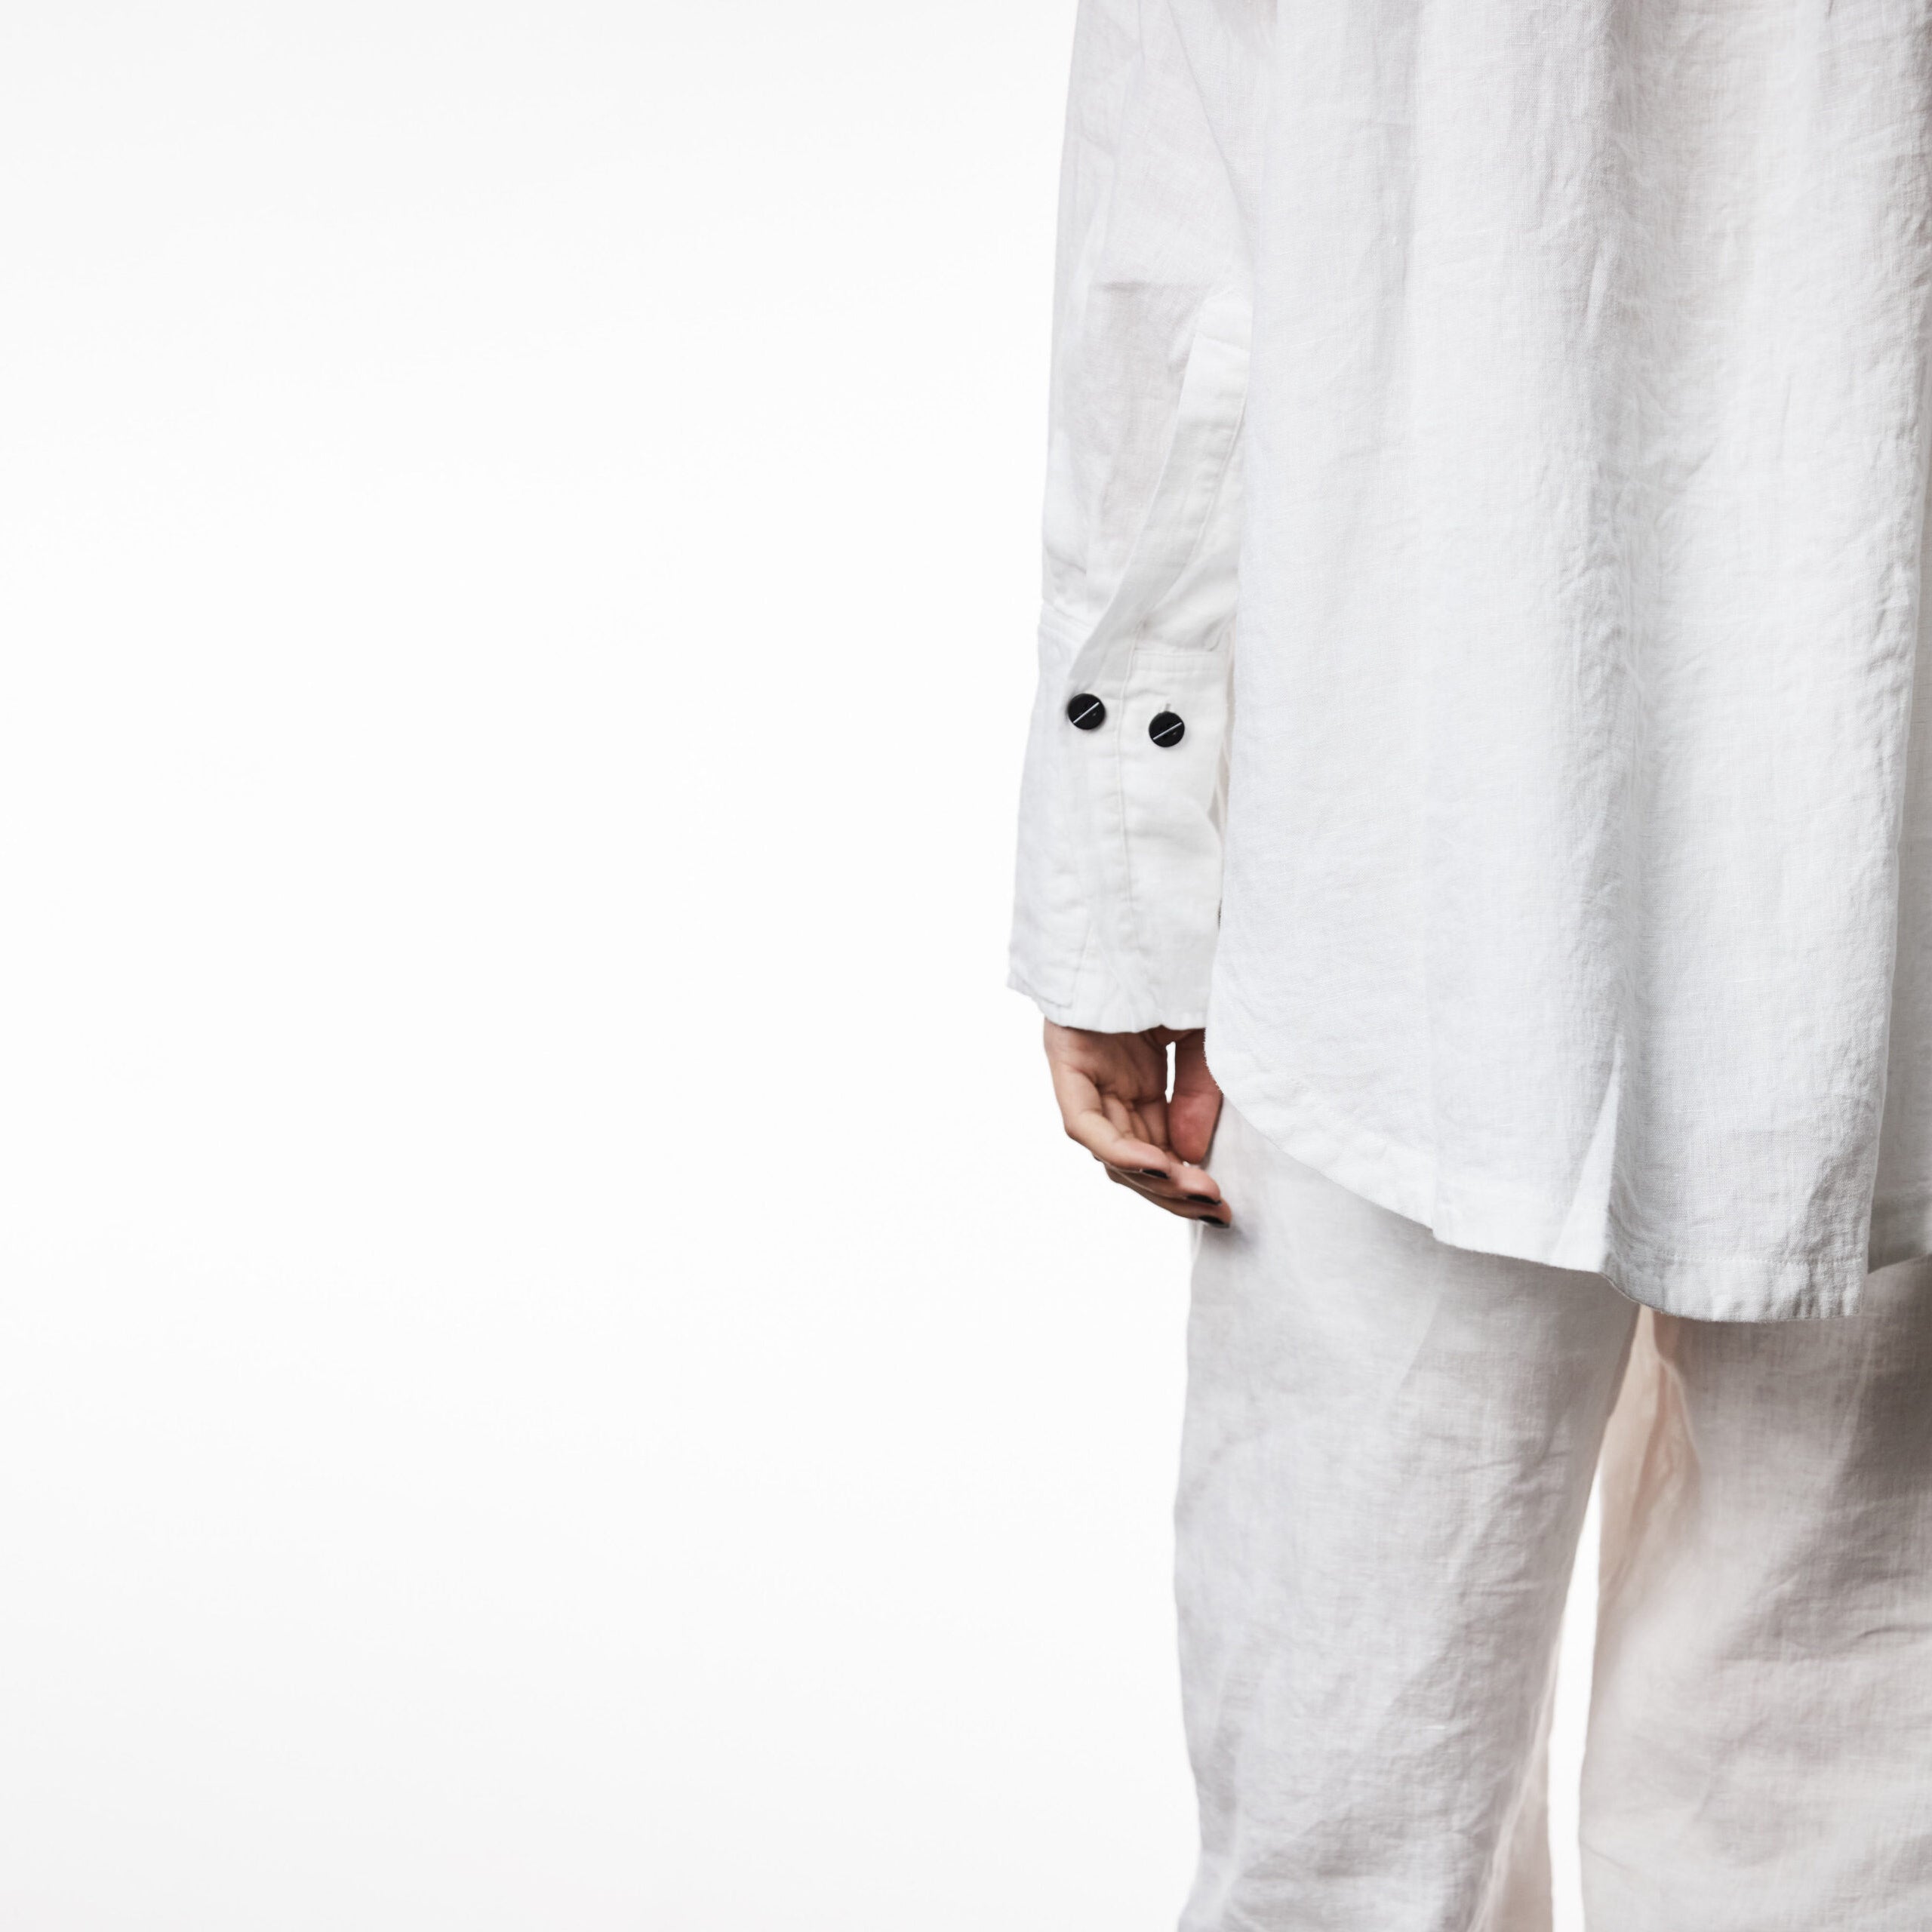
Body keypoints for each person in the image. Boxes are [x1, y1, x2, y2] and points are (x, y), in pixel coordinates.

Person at [1009, 5, 1932, 1927]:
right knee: (1833, 1801)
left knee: (1349, 1809)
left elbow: (1173, 202)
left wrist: (1122, 857)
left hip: (1409, 846)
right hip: (1844, 816)